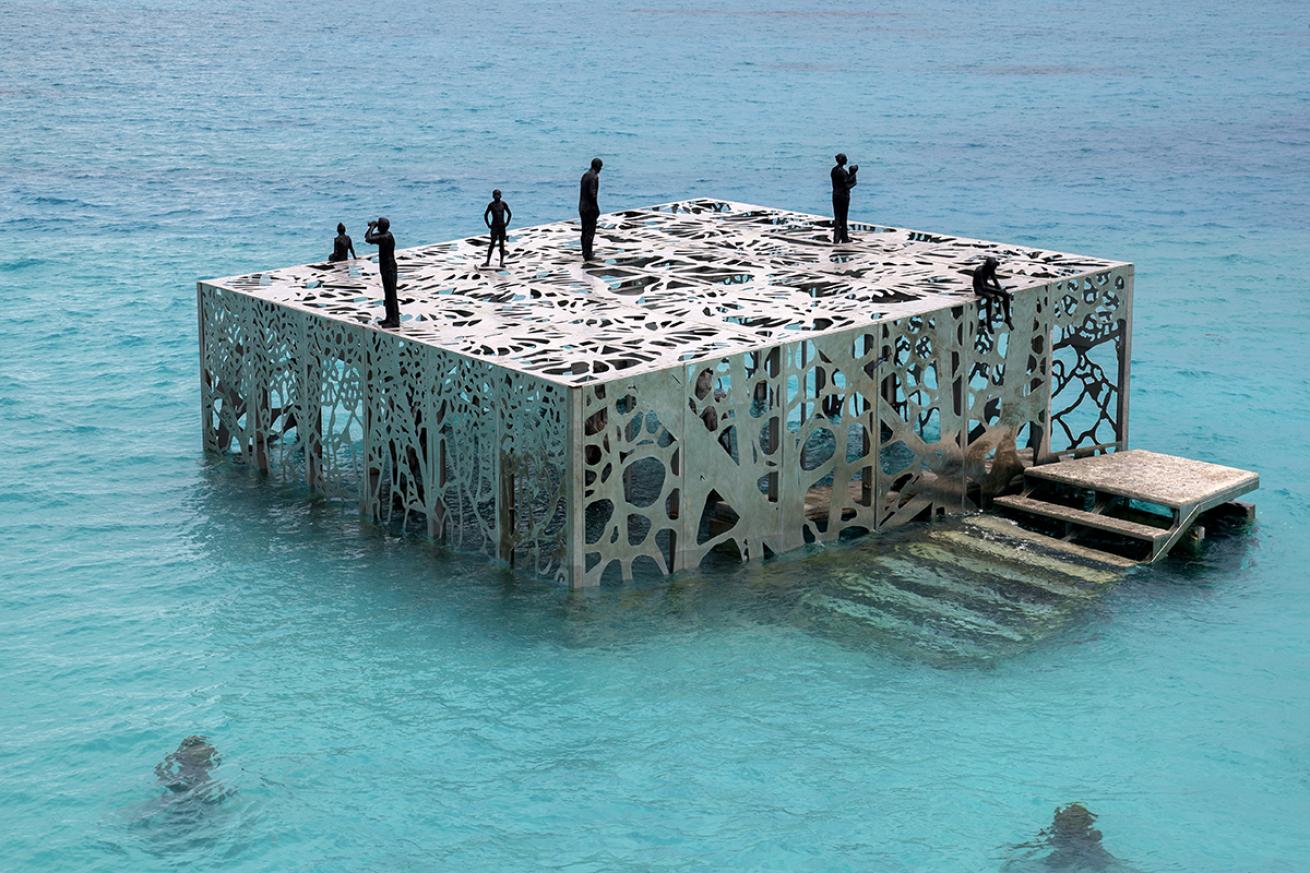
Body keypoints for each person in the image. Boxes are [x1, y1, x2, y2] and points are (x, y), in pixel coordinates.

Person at [365, 216, 400, 329]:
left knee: (391, 295)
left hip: (389, 269)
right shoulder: (385, 235)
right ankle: (389, 318)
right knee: (388, 295)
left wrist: (373, 227)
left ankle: (394, 320)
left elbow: (369, 239)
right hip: (386, 268)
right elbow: (368, 238)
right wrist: (372, 227)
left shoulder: (386, 237)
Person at [155, 736, 220, 794]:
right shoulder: (208, 753)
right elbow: (216, 763)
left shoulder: (180, 755)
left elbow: (160, 769)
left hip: (181, 780)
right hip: (200, 783)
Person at [973, 255, 1014, 331]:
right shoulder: (980, 271)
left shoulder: (991, 270)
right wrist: (998, 291)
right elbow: (983, 287)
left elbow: (995, 281)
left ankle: (1007, 318)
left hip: (985, 285)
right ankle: (989, 322)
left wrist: (1001, 291)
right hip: (979, 288)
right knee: (989, 297)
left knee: (1006, 295)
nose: (995, 268)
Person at [830, 153, 859, 244]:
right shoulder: (842, 172)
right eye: (845, 159)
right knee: (843, 217)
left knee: (837, 217)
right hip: (843, 196)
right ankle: (844, 237)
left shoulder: (834, 170)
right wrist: (853, 175)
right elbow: (847, 185)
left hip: (835, 195)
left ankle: (837, 237)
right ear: (843, 160)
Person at [579, 157, 602, 261]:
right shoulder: (594, 177)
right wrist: (596, 208)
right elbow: (592, 195)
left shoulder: (585, 175)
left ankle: (585, 252)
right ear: (597, 167)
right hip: (589, 209)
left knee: (584, 231)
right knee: (590, 232)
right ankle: (588, 255)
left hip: (582, 207)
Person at [482, 189, 513, 267]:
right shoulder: (491, 205)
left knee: (502, 245)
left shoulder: (503, 204)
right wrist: (488, 225)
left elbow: (509, 214)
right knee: (492, 244)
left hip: (502, 227)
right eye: (495, 195)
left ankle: (501, 262)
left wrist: (507, 223)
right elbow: (485, 215)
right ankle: (487, 261)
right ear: (493, 196)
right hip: (494, 227)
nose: (497, 196)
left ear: (500, 195)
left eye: (498, 194)